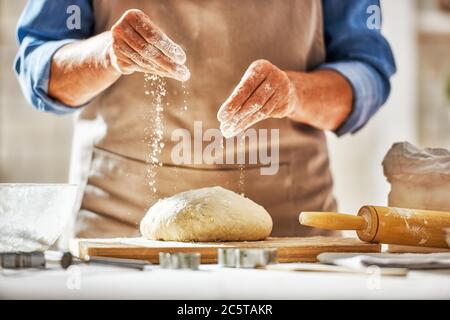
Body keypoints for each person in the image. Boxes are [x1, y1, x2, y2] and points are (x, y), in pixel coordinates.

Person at [15, 0, 395, 238]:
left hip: (289, 237)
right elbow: (38, 62)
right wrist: (106, 55)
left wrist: (294, 94)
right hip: (121, 236)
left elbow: (366, 73)